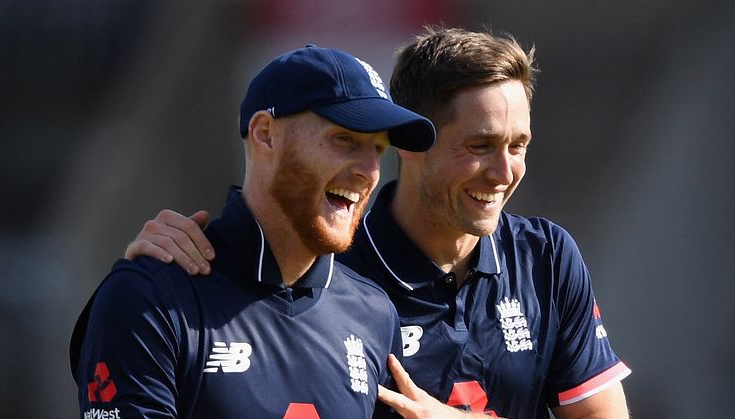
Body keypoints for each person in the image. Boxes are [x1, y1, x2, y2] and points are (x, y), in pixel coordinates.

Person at [125, 27, 632, 419]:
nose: (505, 173)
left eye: (518, 146)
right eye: (479, 146)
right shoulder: (329, 258)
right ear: (412, 147)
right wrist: (168, 265)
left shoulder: (545, 256)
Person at [69, 45, 438, 419]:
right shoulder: (151, 296)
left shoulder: (374, 313)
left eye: (378, 149)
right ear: (265, 134)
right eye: (345, 140)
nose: (369, 171)